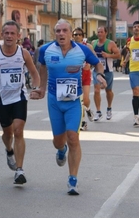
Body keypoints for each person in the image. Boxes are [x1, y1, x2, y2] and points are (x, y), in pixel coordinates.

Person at [30, 19, 107, 195]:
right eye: (58, 31)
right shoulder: (45, 50)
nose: (61, 34)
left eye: (65, 30)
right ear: (54, 33)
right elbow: (42, 68)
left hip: (73, 102)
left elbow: (97, 63)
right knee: (59, 141)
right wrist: (41, 88)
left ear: (71, 33)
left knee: (73, 137)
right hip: (54, 101)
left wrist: (100, 74)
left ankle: (73, 179)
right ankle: (61, 149)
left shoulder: (82, 49)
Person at [0, 19, 40, 185]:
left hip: (19, 97)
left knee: (18, 131)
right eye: (6, 33)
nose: (9, 36)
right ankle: (9, 150)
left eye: (12, 33)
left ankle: (19, 170)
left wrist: (36, 87)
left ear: (18, 36)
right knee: (8, 134)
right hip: (1, 100)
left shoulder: (23, 53)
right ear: (1, 35)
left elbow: (34, 73)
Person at [92, 26, 121, 121]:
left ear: (105, 33)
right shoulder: (93, 43)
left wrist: (108, 55)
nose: (99, 34)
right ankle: (98, 111)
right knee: (96, 90)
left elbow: (118, 55)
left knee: (108, 91)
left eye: (101, 32)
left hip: (107, 71)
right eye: (98, 32)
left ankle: (109, 108)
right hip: (97, 71)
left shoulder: (110, 43)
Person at [72, 27, 95, 130]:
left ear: (83, 36)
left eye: (79, 34)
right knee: (78, 100)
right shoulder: (69, 46)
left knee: (85, 99)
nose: (77, 36)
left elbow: (95, 59)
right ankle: (83, 122)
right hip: (74, 75)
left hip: (85, 74)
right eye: (75, 34)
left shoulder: (88, 46)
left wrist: (89, 65)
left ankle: (88, 109)